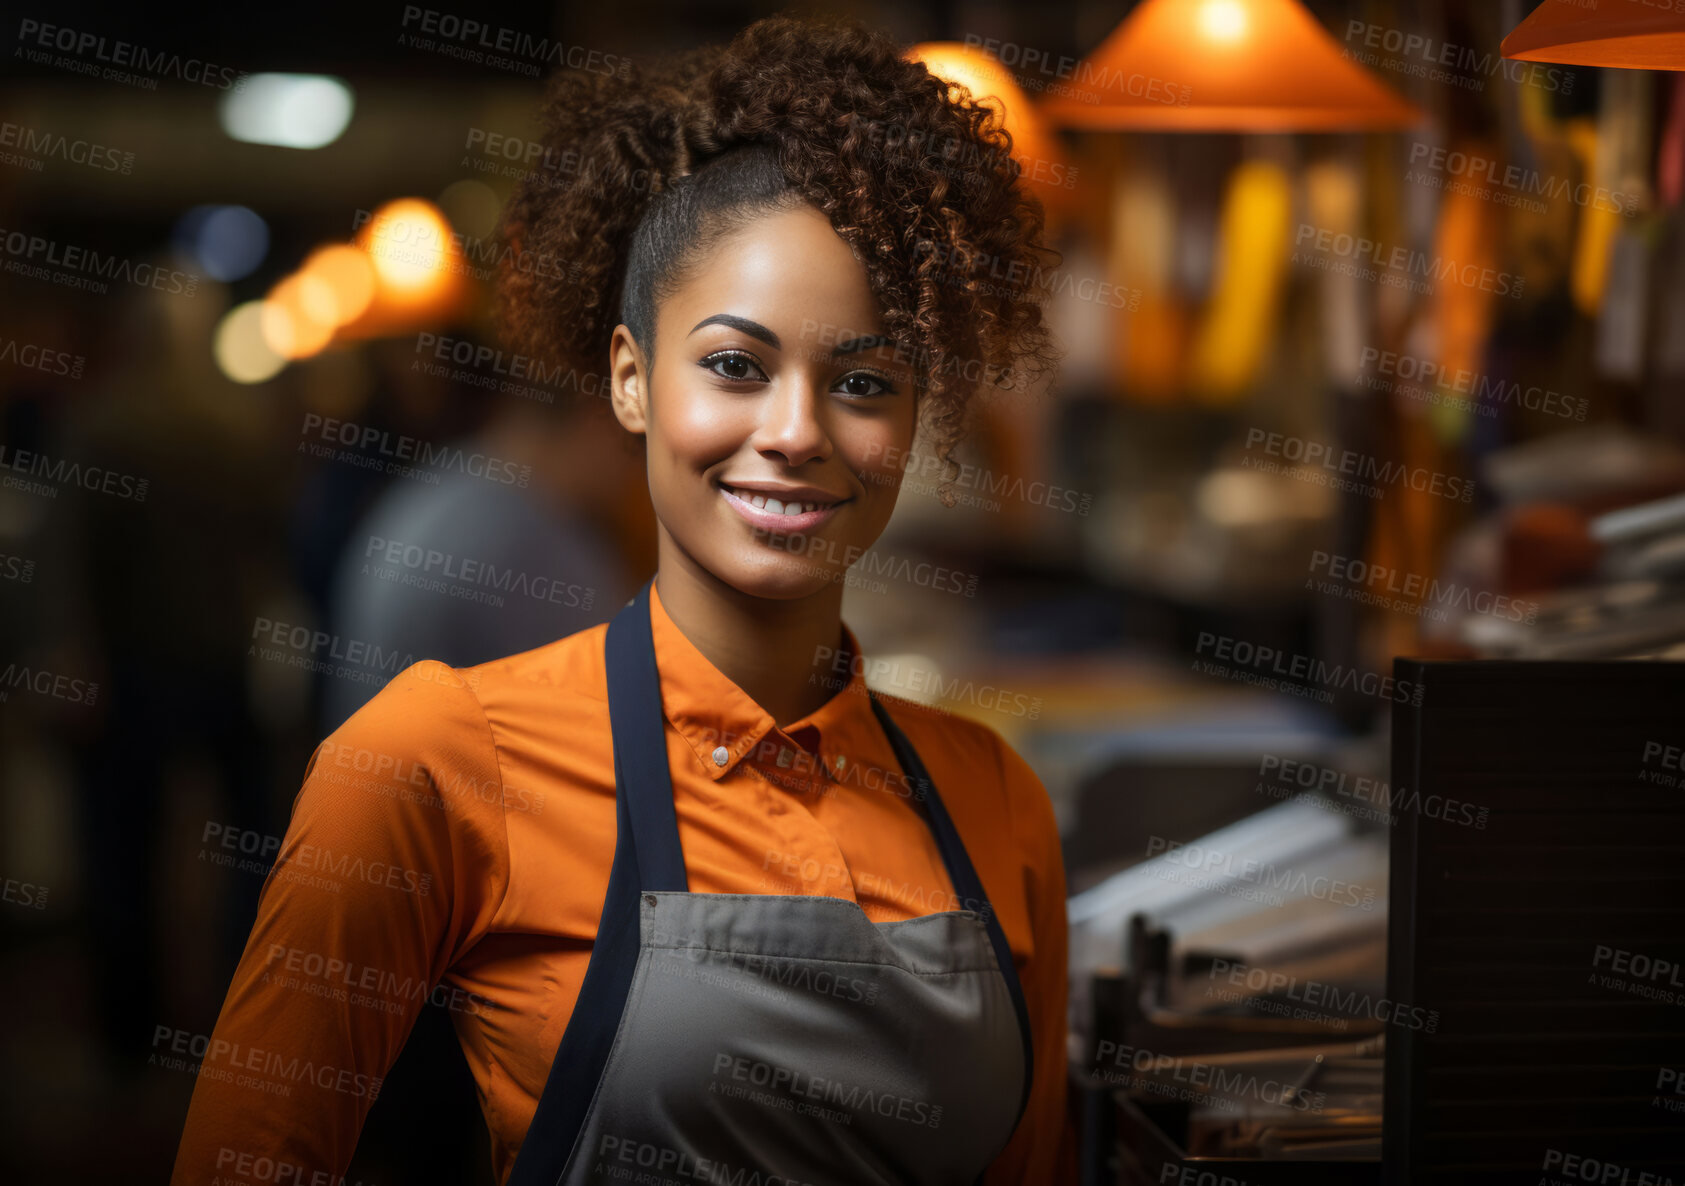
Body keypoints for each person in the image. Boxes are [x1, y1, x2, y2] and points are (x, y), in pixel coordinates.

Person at [171, 14, 1073, 1184]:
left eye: (861, 379)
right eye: (735, 366)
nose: (795, 432)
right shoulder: (435, 756)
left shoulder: (992, 798)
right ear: (630, 379)